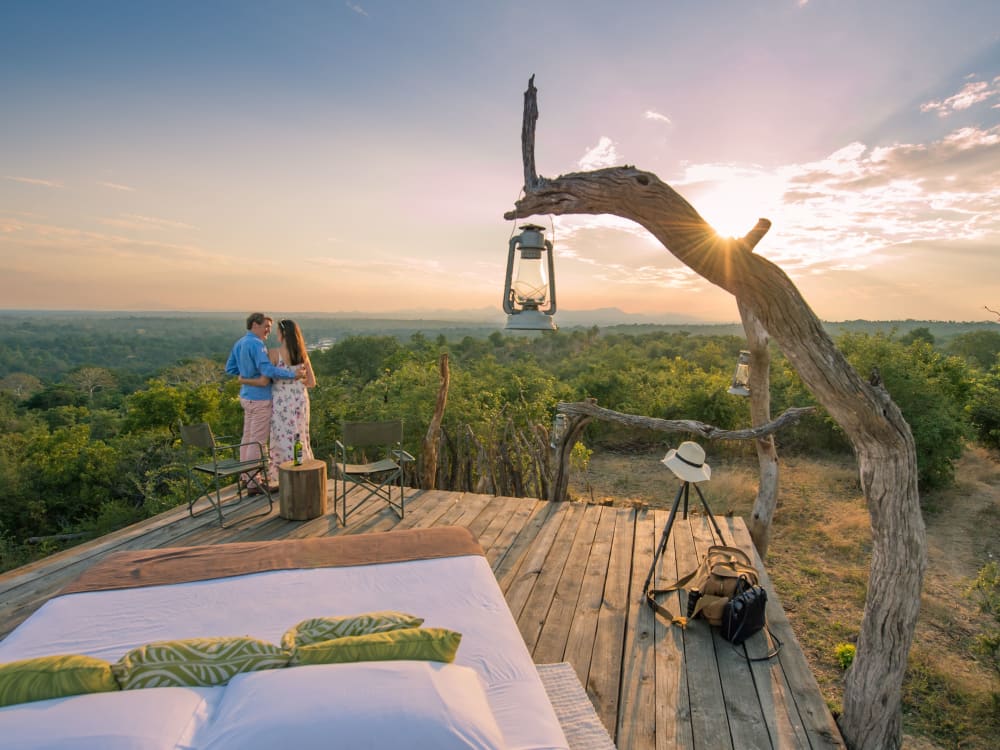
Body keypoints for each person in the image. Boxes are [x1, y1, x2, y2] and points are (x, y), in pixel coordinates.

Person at [225, 312, 302, 492]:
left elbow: (230, 368)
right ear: (254, 325)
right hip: (260, 398)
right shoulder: (257, 345)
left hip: (246, 397)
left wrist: (246, 376)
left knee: (247, 438)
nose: (268, 330)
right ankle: (254, 482)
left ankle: (245, 477)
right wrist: (292, 374)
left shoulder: (240, 343)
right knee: (258, 442)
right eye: (265, 326)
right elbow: (267, 370)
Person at [239, 318, 317, 471]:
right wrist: (296, 382)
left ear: (283, 334)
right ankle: (300, 466)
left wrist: (244, 380)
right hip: (300, 399)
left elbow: (264, 380)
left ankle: (283, 471)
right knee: (299, 434)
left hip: (282, 400)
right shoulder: (302, 355)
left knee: (283, 437)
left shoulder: (274, 354)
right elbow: (312, 382)